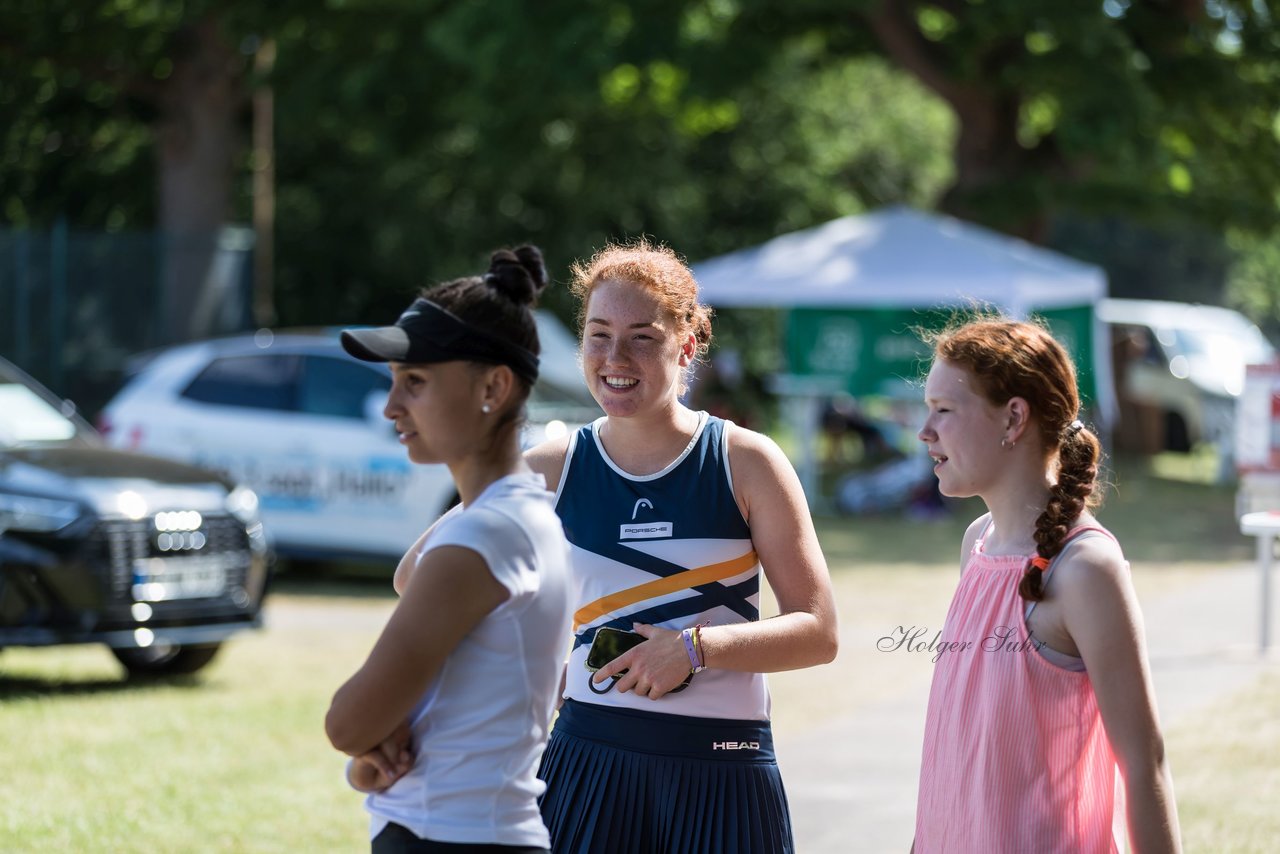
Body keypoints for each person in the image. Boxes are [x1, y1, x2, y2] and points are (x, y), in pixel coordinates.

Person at [525, 239, 839, 854]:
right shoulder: (553, 466)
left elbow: (819, 631)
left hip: (722, 765)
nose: (616, 356)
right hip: (588, 756)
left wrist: (694, 649)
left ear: (686, 346)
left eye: (643, 336)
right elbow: (421, 573)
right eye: (598, 334)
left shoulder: (745, 460)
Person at [325, 246, 574, 854]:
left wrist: (365, 742)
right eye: (393, 383)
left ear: (493, 385)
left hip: (447, 838)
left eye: (415, 383)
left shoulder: (482, 537)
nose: (391, 407)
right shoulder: (528, 517)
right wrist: (369, 756)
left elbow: (349, 721)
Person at [912, 317, 1182, 853]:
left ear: (1014, 418)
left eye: (944, 410)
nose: (925, 430)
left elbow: (1143, 762)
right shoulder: (979, 543)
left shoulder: (1083, 569)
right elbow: (963, 755)